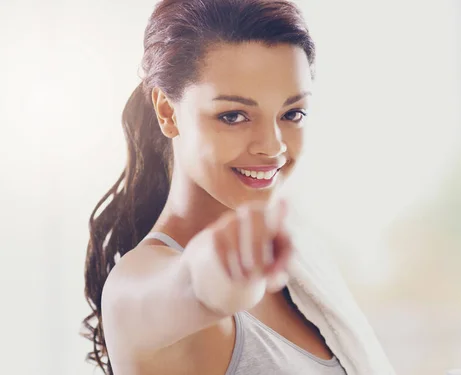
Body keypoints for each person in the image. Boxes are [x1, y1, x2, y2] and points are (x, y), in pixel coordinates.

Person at [82, 1, 392, 374]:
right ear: (167, 111)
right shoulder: (134, 288)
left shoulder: (297, 266)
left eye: (291, 114)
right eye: (233, 116)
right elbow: (192, 285)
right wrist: (213, 275)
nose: (273, 145)